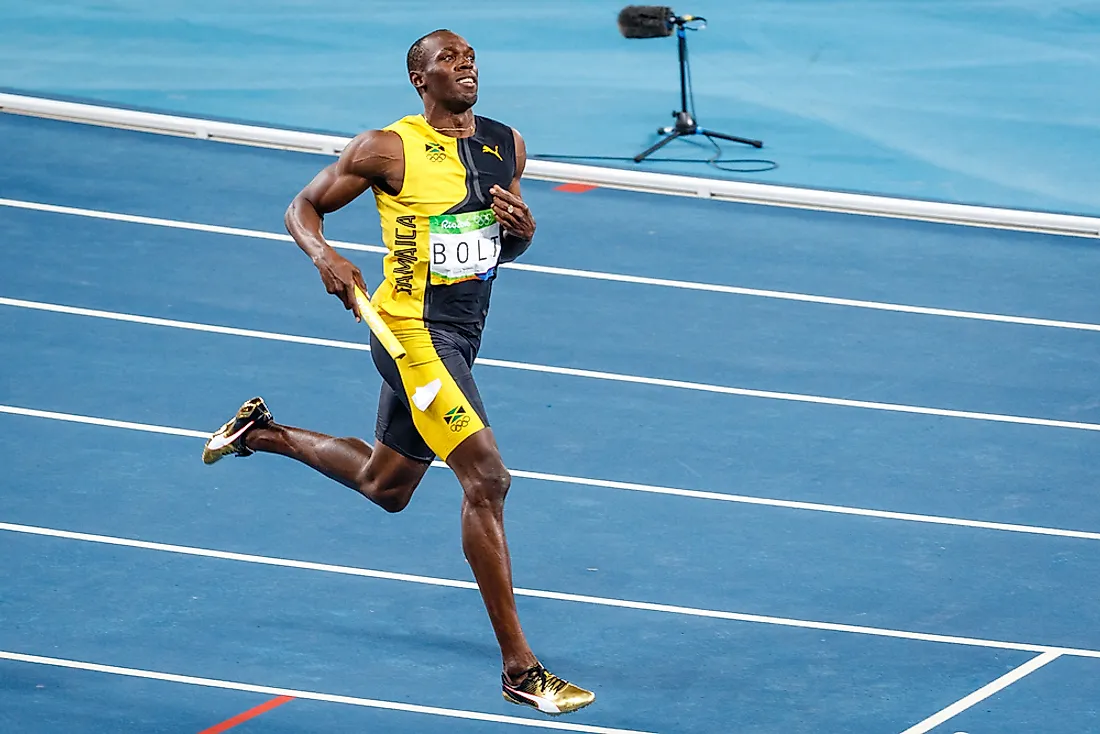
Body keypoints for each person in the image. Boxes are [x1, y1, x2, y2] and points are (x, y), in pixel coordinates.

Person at [200, 29, 594, 716]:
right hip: (408, 331)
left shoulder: (506, 142)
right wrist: (324, 256)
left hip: (464, 332)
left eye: (469, 56)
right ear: (420, 79)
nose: (464, 65)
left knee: (387, 486)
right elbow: (302, 207)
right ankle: (520, 670)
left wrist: (525, 231)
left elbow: (501, 247)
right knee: (487, 479)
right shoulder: (387, 147)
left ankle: (261, 433)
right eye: (447, 59)